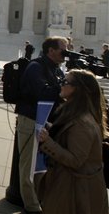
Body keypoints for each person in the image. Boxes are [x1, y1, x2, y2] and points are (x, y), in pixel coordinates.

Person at [37, 69, 109, 213]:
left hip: (74, 191)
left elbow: (76, 160)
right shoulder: (74, 113)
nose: (61, 84)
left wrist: (47, 142)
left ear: (78, 89)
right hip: (70, 185)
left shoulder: (82, 122)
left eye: (65, 82)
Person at [16, 36, 67, 214]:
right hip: (30, 120)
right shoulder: (36, 67)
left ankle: (41, 198)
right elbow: (42, 93)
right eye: (63, 49)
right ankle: (31, 206)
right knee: (28, 164)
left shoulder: (57, 70)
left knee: (43, 165)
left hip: (48, 122)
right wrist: (63, 88)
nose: (65, 53)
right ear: (50, 50)